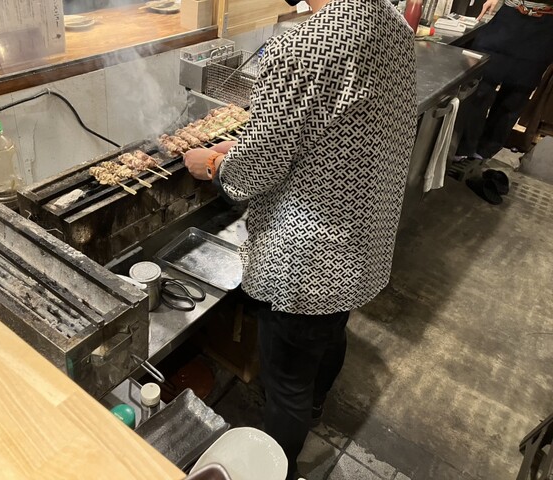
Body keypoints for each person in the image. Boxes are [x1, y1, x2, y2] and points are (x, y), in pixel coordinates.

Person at [184, 0, 417, 477]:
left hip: (307, 259)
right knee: (329, 334)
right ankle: (315, 408)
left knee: (286, 382)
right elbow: (331, 133)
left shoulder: (302, 46)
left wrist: (213, 165)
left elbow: (255, 171)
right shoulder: (393, 24)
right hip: (361, 241)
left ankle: (279, 465)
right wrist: (247, 146)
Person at [456, 0, 553, 160]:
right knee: (479, 87)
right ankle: (462, 147)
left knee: (515, 97)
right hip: (508, 17)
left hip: (544, 28)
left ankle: (484, 152)